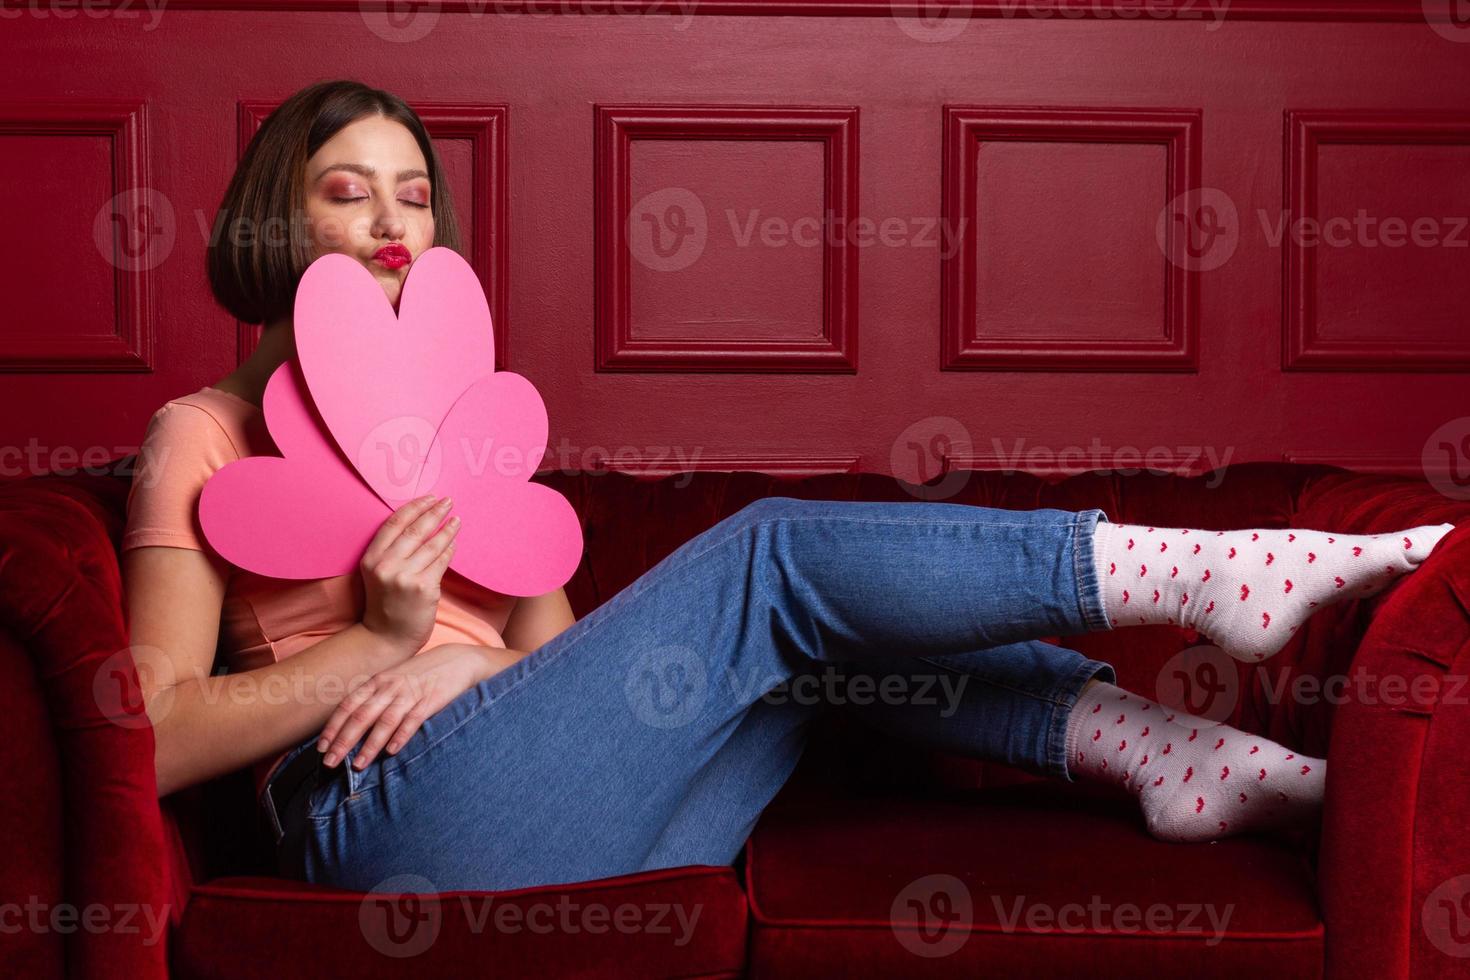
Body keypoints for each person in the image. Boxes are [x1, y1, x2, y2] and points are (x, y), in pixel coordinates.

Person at [121, 79, 1455, 894]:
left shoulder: (467, 427)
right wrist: (378, 641)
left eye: (413, 195)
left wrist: (474, 673)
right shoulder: (202, 433)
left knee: (814, 646)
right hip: (377, 827)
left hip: (578, 828)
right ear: (276, 224)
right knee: (769, 562)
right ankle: (1202, 569)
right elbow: (156, 736)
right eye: (349, 194)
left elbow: (586, 683)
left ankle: (1172, 758)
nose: (393, 223)